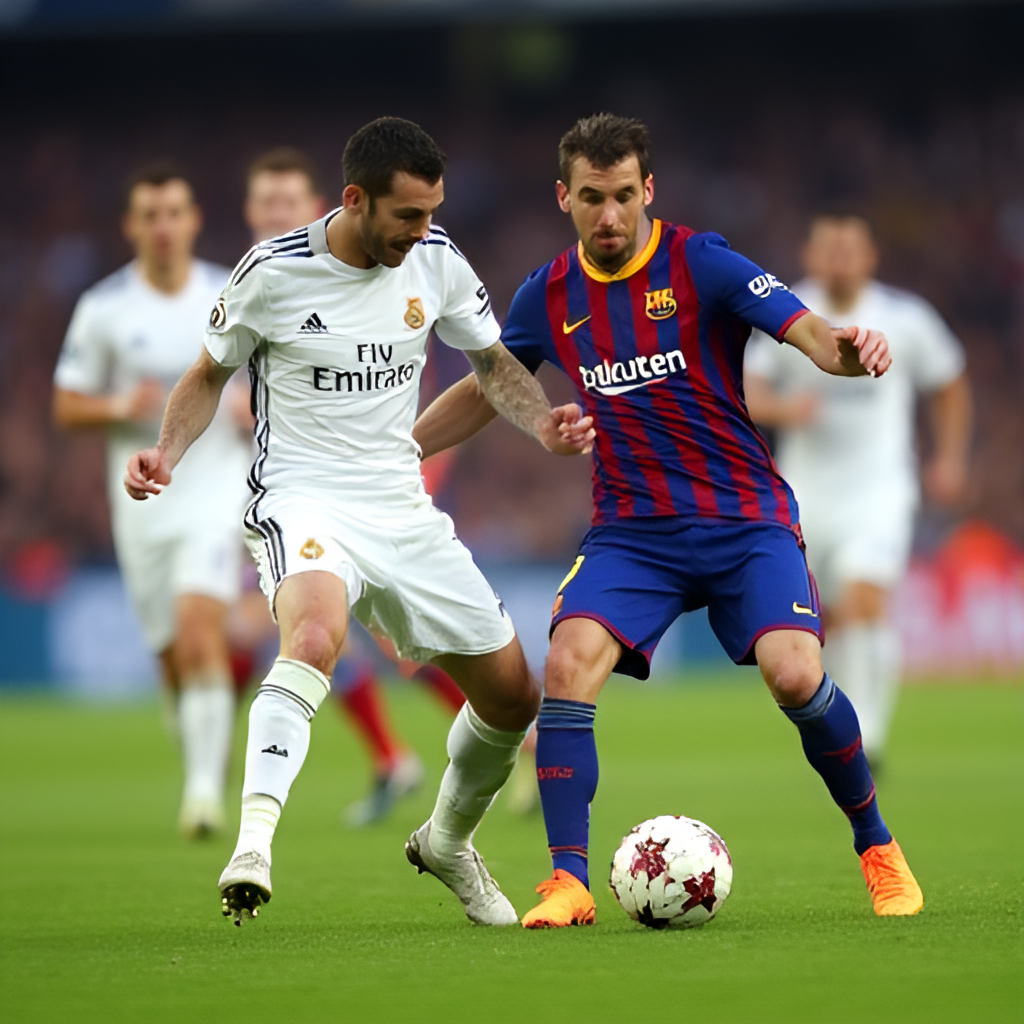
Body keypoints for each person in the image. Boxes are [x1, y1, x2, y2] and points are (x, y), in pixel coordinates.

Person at [413, 113, 923, 928]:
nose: (609, 215)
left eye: (623, 195)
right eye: (592, 198)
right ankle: (568, 882)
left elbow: (811, 334)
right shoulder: (547, 294)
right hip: (633, 532)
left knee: (796, 675)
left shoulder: (701, 261)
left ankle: (878, 847)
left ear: (648, 189)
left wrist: (849, 352)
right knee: (566, 664)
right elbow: (487, 386)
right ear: (564, 197)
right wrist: (401, 447)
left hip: (743, 518)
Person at [123, 118, 594, 927]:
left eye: (431, 212)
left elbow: (492, 365)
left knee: (514, 697)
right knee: (313, 637)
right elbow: (206, 375)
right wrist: (166, 452)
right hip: (301, 495)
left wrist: (542, 421)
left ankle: (446, 842)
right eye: (407, 215)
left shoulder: (436, 260)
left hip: (400, 505)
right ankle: (254, 844)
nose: (422, 230)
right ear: (354, 200)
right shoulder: (273, 272)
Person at [241, 146, 469, 826]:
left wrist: (417, 475)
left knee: (378, 640)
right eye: (266, 203)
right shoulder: (258, 284)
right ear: (250, 211)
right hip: (289, 493)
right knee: (310, 635)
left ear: (322, 206)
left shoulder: (381, 281)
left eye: (289, 203)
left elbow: (407, 399)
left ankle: (502, 737)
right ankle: (395, 756)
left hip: (380, 488)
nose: (277, 214)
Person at [53, 165, 250, 838]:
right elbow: (66, 404)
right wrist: (118, 405)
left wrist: (255, 408)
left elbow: (271, 372)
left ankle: (203, 798)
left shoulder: (229, 290)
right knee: (171, 659)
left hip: (217, 492)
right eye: (150, 215)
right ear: (131, 226)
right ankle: (204, 752)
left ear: (193, 220)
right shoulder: (104, 308)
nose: (163, 226)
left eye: (174, 213)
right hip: (142, 502)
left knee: (200, 630)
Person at [744, 214, 970, 768]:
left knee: (864, 594)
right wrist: (785, 409)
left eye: (851, 249)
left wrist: (950, 457)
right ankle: (847, 722)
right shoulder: (787, 311)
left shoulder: (906, 318)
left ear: (871, 256)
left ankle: (868, 734)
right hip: (806, 491)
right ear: (810, 256)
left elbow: (949, 382)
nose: (841, 259)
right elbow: (748, 388)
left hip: (880, 488)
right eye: (830, 249)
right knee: (832, 616)